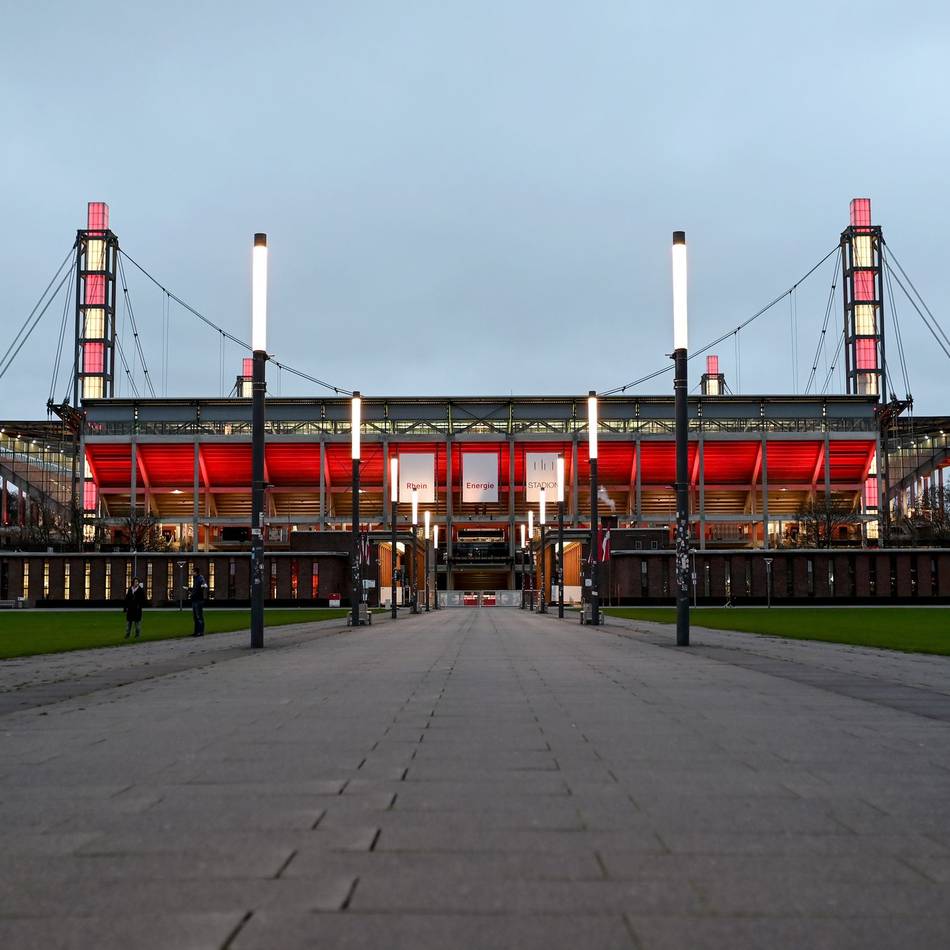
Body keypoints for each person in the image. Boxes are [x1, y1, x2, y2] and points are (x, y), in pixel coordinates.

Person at [190, 568, 209, 636]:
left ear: (196, 572)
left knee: (199, 617)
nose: (191, 573)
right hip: (194, 600)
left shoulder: (200, 578)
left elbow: (204, 585)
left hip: (198, 600)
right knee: (195, 617)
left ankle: (200, 632)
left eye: (192, 572)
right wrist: (190, 590)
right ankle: (196, 631)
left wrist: (203, 586)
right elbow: (195, 589)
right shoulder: (195, 578)